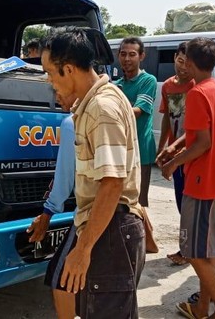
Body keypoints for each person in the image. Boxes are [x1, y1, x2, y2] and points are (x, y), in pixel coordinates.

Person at [41, 27, 145, 318]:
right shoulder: (96, 102)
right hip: (106, 227)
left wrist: (83, 249)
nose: (49, 82)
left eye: (50, 73)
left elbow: (112, 184)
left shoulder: (101, 108)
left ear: (69, 69)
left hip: (110, 230)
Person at [161, 37, 215, 319]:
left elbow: (202, 143)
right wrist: (176, 145)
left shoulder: (197, 94)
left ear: (189, 63)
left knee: (193, 251)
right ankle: (203, 307)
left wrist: (172, 164)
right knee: (211, 250)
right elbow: (203, 135)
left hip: (202, 183)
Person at [27, 91, 78, 319]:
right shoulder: (112, 104)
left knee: (61, 277)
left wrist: (47, 213)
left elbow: (64, 179)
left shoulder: (72, 123)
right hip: (126, 213)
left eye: (58, 90)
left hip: (93, 213)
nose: (57, 99)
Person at [115, 36, 159, 254]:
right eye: (123, 54)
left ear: (141, 56)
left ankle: (145, 243)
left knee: (138, 203)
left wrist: (108, 111)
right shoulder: (116, 85)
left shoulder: (148, 81)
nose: (127, 58)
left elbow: (138, 111)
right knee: (125, 201)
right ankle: (145, 242)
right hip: (120, 151)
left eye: (132, 54)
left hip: (140, 150)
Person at [156, 42, 195, 266]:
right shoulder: (169, 86)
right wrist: (162, 146)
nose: (183, 67)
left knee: (191, 204)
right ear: (175, 58)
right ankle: (187, 247)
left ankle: (189, 249)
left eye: (188, 63)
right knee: (181, 202)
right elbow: (168, 118)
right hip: (174, 153)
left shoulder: (197, 86)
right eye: (180, 61)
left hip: (192, 153)